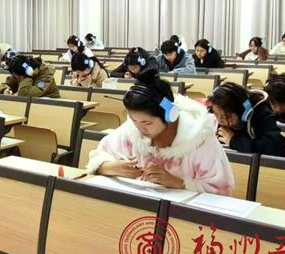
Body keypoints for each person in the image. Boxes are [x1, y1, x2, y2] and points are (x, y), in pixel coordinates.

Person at [86, 70, 234, 194]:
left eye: (147, 123)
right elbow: (98, 157)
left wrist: (177, 182)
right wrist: (111, 167)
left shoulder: (199, 138)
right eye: (133, 120)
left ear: (170, 115)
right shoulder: (132, 129)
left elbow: (221, 188)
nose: (140, 129)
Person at [209, 83, 285, 157]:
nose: (220, 120)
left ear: (244, 112)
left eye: (227, 116)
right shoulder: (213, 117)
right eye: (216, 114)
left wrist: (234, 141)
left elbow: (277, 146)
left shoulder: (262, 114)